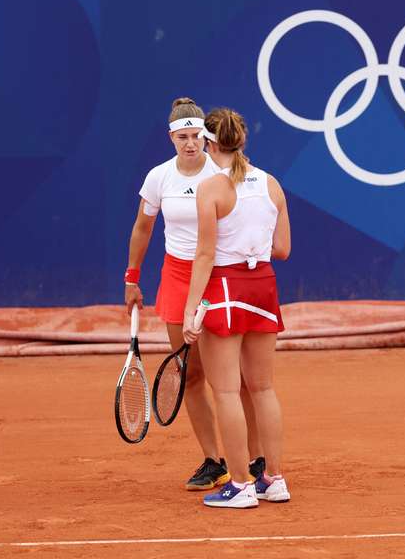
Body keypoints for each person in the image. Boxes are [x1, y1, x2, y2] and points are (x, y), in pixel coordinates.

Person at [125, 98, 264, 490]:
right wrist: (131, 279)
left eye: (196, 137)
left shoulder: (223, 173)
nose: (190, 144)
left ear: (207, 137)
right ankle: (212, 460)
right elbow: (142, 229)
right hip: (176, 277)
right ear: (171, 138)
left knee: (236, 377)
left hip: (218, 276)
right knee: (191, 374)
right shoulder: (159, 177)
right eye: (182, 137)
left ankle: (255, 459)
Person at [183, 107, 291, 509]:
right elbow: (282, 250)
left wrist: (194, 308)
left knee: (226, 391)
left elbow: (205, 253)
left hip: (224, 289)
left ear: (210, 143)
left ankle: (242, 486)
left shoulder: (211, 189)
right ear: (242, 140)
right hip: (263, 288)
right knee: (262, 388)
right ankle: (274, 480)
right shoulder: (272, 185)